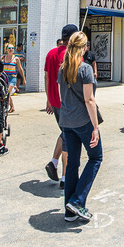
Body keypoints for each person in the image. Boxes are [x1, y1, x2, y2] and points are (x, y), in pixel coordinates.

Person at [58, 31, 102, 222]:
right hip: (83, 121)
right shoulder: (85, 69)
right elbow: (89, 100)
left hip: (67, 121)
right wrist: (95, 127)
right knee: (96, 158)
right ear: (84, 48)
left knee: (73, 164)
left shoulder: (63, 68)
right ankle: (77, 200)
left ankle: (70, 211)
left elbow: (62, 97)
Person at [44, 26, 77, 187]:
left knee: (64, 133)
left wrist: (48, 99)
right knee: (69, 139)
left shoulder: (51, 53)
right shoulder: (72, 56)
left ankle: (53, 162)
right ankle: (65, 177)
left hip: (55, 102)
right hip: (69, 104)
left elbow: (47, 77)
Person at [2, 43, 26, 113]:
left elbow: (20, 69)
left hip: (12, 78)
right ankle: (12, 107)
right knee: (6, 93)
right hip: (4, 77)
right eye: (9, 48)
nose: (11, 49)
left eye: (12, 48)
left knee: (7, 92)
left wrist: (24, 79)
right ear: (6, 49)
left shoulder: (16, 58)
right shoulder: (3, 58)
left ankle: (9, 107)